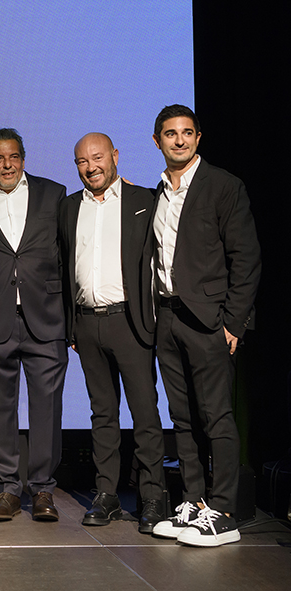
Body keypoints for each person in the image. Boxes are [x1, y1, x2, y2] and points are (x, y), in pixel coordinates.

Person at [146, 105, 261, 547]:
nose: (179, 140)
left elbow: (246, 258)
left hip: (210, 321)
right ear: (157, 140)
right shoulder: (157, 193)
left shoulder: (223, 185)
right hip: (167, 317)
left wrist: (233, 323)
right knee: (182, 418)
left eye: (187, 132)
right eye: (170, 133)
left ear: (198, 138)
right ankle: (194, 503)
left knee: (216, 416)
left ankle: (225, 511)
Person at [57, 132, 165, 533]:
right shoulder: (69, 207)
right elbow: (64, 267)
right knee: (102, 414)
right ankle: (107, 495)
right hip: (87, 324)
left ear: (115, 156)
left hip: (130, 322)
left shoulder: (145, 200)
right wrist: (71, 324)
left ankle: (152, 497)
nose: (91, 167)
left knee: (145, 413)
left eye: (98, 157)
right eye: (82, 161)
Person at [0, 128, 67, 522]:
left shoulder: (53, 194)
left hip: (46, 315)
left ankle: (43, 489)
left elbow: (69, 253)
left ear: (23, 158)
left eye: (14, 157)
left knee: (47, 408)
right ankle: (7, 488)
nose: (7, 165)